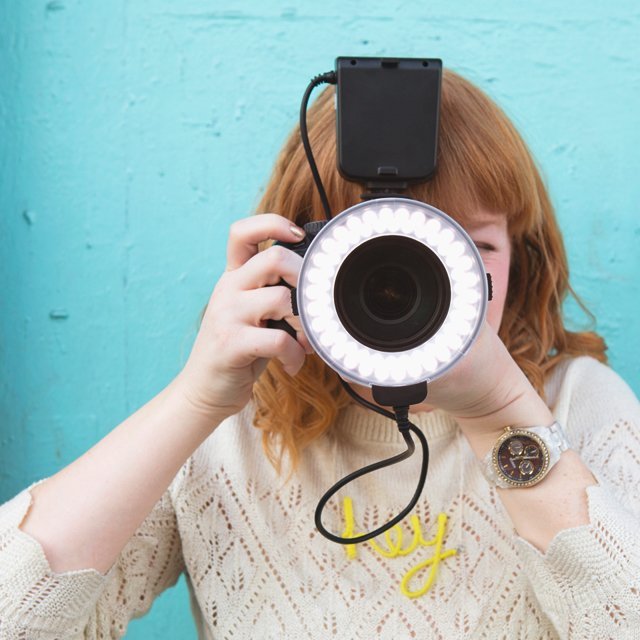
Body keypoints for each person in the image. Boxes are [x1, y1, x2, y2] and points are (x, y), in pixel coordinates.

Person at [1, 69, 639, 640]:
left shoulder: (576, 407)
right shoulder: (230, 433)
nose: (410, 290)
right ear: (293, 260)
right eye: (372, 260)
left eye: (463, 251)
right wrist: (196, 401)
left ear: (520, 264)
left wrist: (500, 411)